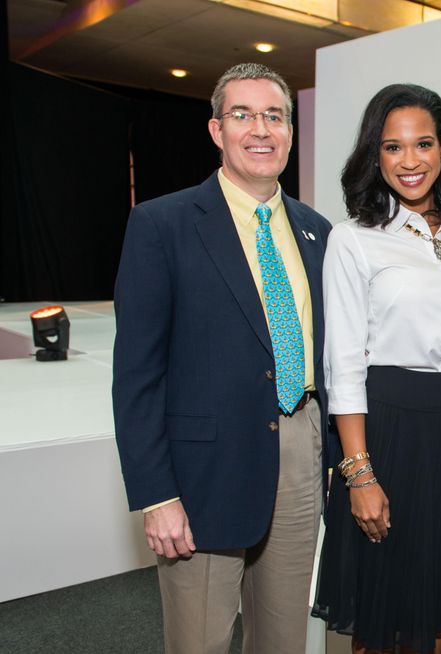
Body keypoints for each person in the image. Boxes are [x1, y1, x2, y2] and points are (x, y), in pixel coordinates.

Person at [112, 62, 331, 654]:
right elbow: (136, 377)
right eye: (242, 115)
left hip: (299, 449)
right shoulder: (161, 224)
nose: (260, 129)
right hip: (202, 471)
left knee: (284, 637)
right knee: (200, 641)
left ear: (290, 131)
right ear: (216, 130)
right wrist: (157, 496)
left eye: (274, 116)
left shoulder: (317, 231)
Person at [312, 83, 441, 654]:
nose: (410, 160)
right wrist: (359, 475)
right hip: (384, 429)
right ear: (375, 155)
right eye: (393, 147)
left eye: (423, 144)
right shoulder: (354, 239)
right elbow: (343, 364)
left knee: (433, 608)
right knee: (378, 614)